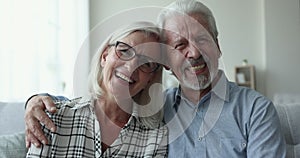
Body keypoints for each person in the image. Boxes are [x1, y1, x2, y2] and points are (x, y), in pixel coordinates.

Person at [25, 0, 286, 157]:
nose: (193, 53)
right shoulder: (157, 108)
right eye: (180, 45)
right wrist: (38, 100)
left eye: (202, 39)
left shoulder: (256, 110)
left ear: (217, 46)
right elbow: (100, 106)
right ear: (168, 63)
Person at [25, 21, 168, 157]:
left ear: (150, 78)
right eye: (124, 51)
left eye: (146, 63)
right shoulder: (51, 118)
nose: (131, 67)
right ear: (104, 57)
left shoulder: (155, 138)